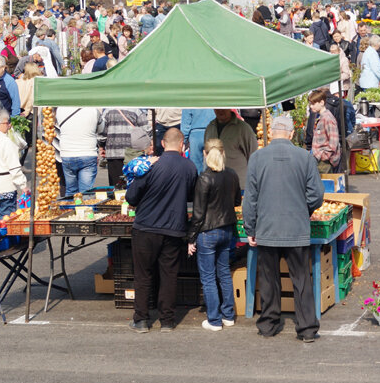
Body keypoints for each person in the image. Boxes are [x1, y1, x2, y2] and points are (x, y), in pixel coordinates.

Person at [243, 114, 323, 341]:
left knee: (269, 280)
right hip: (296, 228)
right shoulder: (304, 157)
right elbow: (316, 194)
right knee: (301, 280)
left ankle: (269, 324)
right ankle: (307, 328)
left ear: (272, 133)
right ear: (290, 134)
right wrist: (303, 210)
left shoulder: (257, 158)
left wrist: (250, 228)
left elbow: (250, 198)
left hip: (267, 228)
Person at [126, 128, 197, 332]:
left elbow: (131, 197)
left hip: (146, 227)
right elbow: (191, 196)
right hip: (174, 228)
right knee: (169, 274)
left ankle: (141, 319)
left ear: (163, 144)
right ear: (182, 144)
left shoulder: (150, 165)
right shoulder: (190, 167)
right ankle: (167, 320)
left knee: (143, 274)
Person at [187, 139, 241, 331]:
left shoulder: (204, 178)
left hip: (208, 232)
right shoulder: (232, 174)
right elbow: (236, 201)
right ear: (223, 152)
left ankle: (214, 319)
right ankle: (228, 315)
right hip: (227, 229)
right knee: (224, 273)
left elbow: (198, 214)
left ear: (205, 154)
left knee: (208, 277)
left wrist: (191, 238)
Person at [55, 106, 101, 196]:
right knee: (86, 192)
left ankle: (70, 209)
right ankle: (83, 209)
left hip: (67, 153)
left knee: (71, 190)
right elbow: (102, 129)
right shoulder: (93, 110)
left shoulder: (60, 109)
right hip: (88, 152)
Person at [204, 109, 257, 184]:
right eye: (217, 107)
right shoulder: (210, 127)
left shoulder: (243, 128)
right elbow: (206, 155)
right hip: (214, 185)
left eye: (223, 107)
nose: (220, 110)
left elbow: (253, 154)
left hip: (238, 185)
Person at [308, 89, 341, 174]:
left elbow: (333, 142)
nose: (311, 106)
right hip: (321, 158)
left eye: (313, 103)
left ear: (322, 103)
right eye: (310, 104)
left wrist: (324, 156)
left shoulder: (328, 118)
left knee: (324, 185)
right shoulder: (322, 117)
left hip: (325, 161)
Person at [180, 108, 216, 175]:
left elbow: (186, 121)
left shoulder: (188, 98)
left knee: (195, 168)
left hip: (195, 134)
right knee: (213, 166)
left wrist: (183, 140)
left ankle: (197, 184)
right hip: (212, 131)